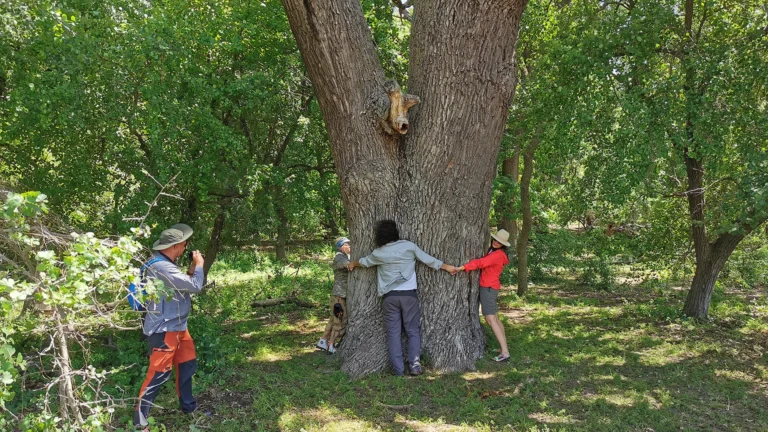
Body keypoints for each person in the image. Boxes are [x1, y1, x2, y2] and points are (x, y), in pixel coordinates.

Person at [347, 220, 457, 376]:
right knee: (412, 331)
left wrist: (353, 263)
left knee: (393, 333)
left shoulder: (379, 253)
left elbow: (364, 262)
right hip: (409, 296)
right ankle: (415, 366)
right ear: (395, 232)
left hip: (390, 297)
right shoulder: (409, 247)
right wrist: (448, 267)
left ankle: (398, 370)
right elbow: (428, 260)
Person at [134, 223, 205, 429]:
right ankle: (140, 422)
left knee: (187, 365)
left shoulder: (166, 264)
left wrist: (191, 270)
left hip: (179, 327)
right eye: (184, 244)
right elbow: (195, 286)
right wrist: (200, 265)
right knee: (158, 374)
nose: (185, 247)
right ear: (176, 246)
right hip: (164, 330)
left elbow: (182, 287)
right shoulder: (161, 267)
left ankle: (188, 407)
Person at [453, 229, 511, 362]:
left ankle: (505, 353)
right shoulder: (495, 252)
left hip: (488, 288)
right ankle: (504, 348)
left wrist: (462, 267)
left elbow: (480, 263)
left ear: (503, 245)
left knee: (490, 319)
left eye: (499, 242)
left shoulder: (497, 255)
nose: (496, 242)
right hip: (491, 287)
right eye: (495, 240)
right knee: (495, 319)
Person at [316, 237, 351, 354]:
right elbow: (348, 265)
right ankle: (331, 345)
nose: (350, 246)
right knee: (340, 320)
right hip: (339, 295)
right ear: (341, 247)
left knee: (333, 319)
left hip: (339, 295)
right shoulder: (339, 257)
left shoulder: (344, 256)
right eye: (347, 244)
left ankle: (322, 341)